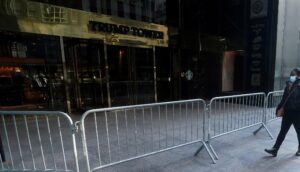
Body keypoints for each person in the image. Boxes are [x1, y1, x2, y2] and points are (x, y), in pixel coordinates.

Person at [265, 68, 300, 157]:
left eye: (294, 74)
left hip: (297, 114)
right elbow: (284, 99)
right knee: (282, 132)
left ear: (298, 76)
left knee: (299, 132)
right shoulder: (288, 85)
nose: (292, 76)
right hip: (287, 113)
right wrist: (279, 108)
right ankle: (275, 149)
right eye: (291, 74)